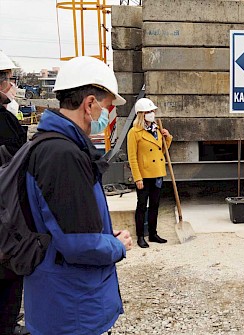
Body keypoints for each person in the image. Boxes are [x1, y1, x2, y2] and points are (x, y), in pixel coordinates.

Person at [23, 56, 133, 334]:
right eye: (107, 107)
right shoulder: (63, 156)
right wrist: (117, 246)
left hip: (61, 300)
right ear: (90, 104)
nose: (107, 115)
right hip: (72, 310)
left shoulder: (51, 145)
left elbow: (67, 224)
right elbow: (78, 244)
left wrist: (104, 235)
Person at [0, 50, 28, 335]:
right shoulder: (5, 120)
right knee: (10, 274)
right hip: (5, 214)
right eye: (8, 79)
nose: (12, 84)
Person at [127, 98, 172, 248]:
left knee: (155, 205)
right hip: (144, 176)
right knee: (141, 206)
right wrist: (137, 177)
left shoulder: (157, 129)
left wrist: (167, 138)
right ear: (141, 114)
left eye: (152, 111)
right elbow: (132, 158)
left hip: (158, 172)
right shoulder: (134, 133)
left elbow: (161, 151)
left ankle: (153, 233)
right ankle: (140, 236)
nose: (152, 114)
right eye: (149, 112)